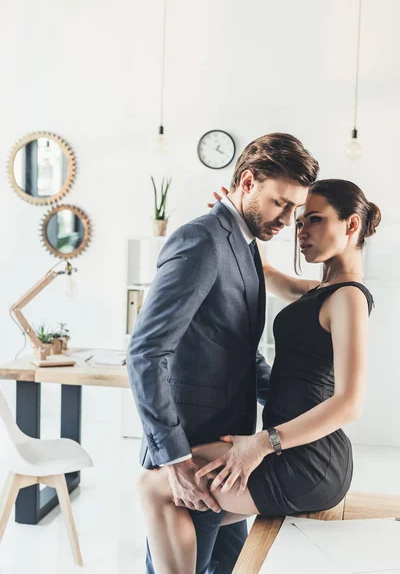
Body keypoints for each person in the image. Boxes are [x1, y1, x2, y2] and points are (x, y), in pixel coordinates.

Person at [134, 178, 381, 574]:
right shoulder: (323, 291)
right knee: (190, 503)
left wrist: (261, 444)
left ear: (351, 226)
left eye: (314, 220)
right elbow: (264, 270)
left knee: (155, 486)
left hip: (306, 459)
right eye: (300, 222)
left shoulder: (349, 296)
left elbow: (350, 403)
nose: (301, 232)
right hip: (298, 453)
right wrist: (234, 217)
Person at [126, 133, 319, 574]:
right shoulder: (202, 240)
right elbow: (146, 351)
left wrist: (300, 416)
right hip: (190, 452)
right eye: (281, 204)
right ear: (247, 181)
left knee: (230, 565)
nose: (288, 220)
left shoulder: (246, 245)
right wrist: (173, 459)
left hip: (229, 450)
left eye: (296, 209)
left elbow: (238, 351)